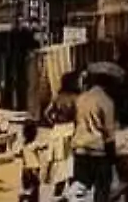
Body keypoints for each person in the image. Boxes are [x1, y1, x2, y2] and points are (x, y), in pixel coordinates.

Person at [72, 71, 118, 202]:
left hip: (80, 149)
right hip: (98, 151)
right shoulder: (106, 101)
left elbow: (76, 123)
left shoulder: (81, 98)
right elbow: (109, 133)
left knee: (80, 193)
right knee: (102, 191)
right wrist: (112, 158)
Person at [0, 120, 51, 202]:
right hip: (33, 170)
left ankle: (25, 196)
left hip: (25, 170)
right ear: (35, 133)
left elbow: (15, 155)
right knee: (35, 191)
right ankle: (25, 197)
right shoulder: (35, 144)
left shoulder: (24, 145)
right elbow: (44, 146)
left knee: (27, 188)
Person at [44, 71, 82, 201]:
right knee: (71, 166)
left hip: (57, 131)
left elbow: (47, 113)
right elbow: (79, 117)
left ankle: (57, 195)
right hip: (70, 130)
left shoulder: (57, 97)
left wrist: (54, 122)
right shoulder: (76, 98)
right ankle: (71, 197)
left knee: (58, 166)